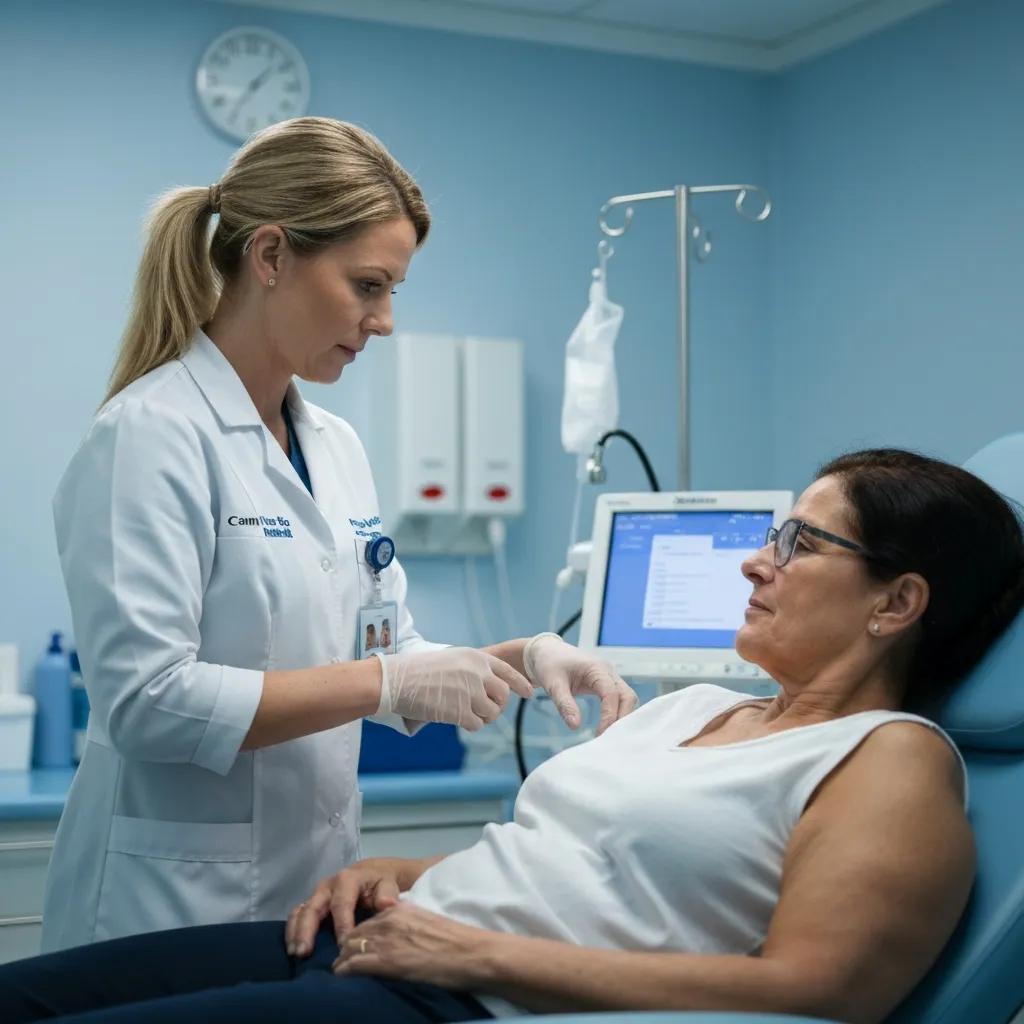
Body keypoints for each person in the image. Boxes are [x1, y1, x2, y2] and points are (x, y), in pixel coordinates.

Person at [9, 448, 1024, 1024]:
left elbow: (816, 992)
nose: (758, 562)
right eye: (772, 536)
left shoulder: (888, 758)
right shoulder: (695, 707)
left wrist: (476, 954)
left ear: (896, 601)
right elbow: (589, 866)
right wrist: (411, 872)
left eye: (799, 542)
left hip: (457, 1004)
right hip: (383, 944)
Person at [43, 116, 637, 953]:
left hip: (310, 894)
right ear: (272, 256)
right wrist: (384, 681)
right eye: (368, 285)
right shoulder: (149, 435)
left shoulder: (335, 446)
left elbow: (386, 650)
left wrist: (526, 657)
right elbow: (147, 703)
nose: (385, 319)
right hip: (170, 902)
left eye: (393, 290)